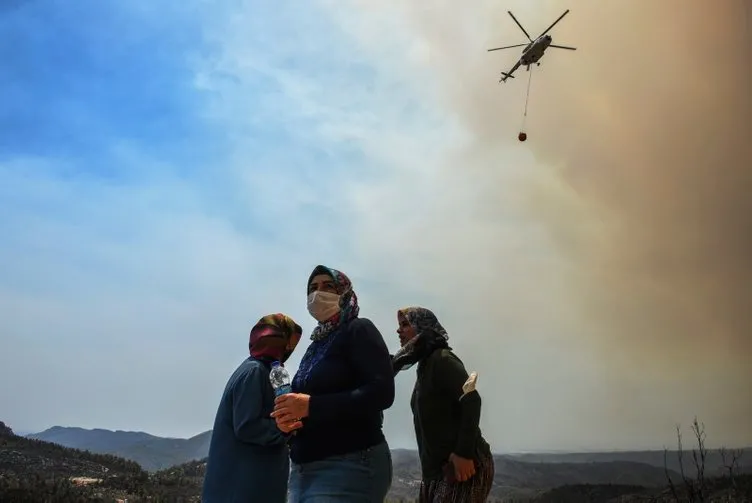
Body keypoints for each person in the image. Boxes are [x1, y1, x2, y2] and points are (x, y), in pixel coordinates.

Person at [271, 265, 395, 502]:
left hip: (349, 462)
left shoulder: (359, 329)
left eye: (328, 286)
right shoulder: (317, 343)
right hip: (302, 469)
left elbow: (382, 392)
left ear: (345, 292)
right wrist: (289, 420)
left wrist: (311, 406)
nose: (318, 293)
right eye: (312, 288)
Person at [392, 306, 495, 503]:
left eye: (405, 324)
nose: (399, 331)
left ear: (422, 327)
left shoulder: (442, 359)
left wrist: (463, 453)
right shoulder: (426, 365)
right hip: (438, 472)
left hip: (463, 467)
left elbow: (471, 399)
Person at [201, 313, 303, 503]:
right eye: (289, 342)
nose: (290, 349)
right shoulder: (255, 372)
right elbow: (248, 426)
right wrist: (282, 428)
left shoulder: (261, 370)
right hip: (242, 489)